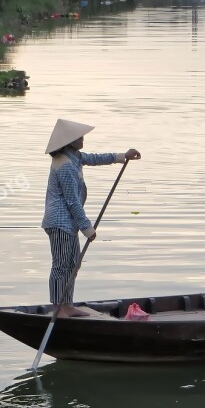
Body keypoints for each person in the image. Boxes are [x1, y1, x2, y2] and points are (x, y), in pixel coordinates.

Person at [42, 119, 141, 318]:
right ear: (69, 141)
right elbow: (72, 202)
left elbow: (95, 158)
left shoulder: (74, 157)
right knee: (61, 265)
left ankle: (67, 304)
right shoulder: (65, 165)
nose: (82, 140)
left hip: (68, 223)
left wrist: (123, 156)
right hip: (59, 222)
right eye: (79, 137)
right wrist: (87, 228)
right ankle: (59, 307)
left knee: (73, 264)